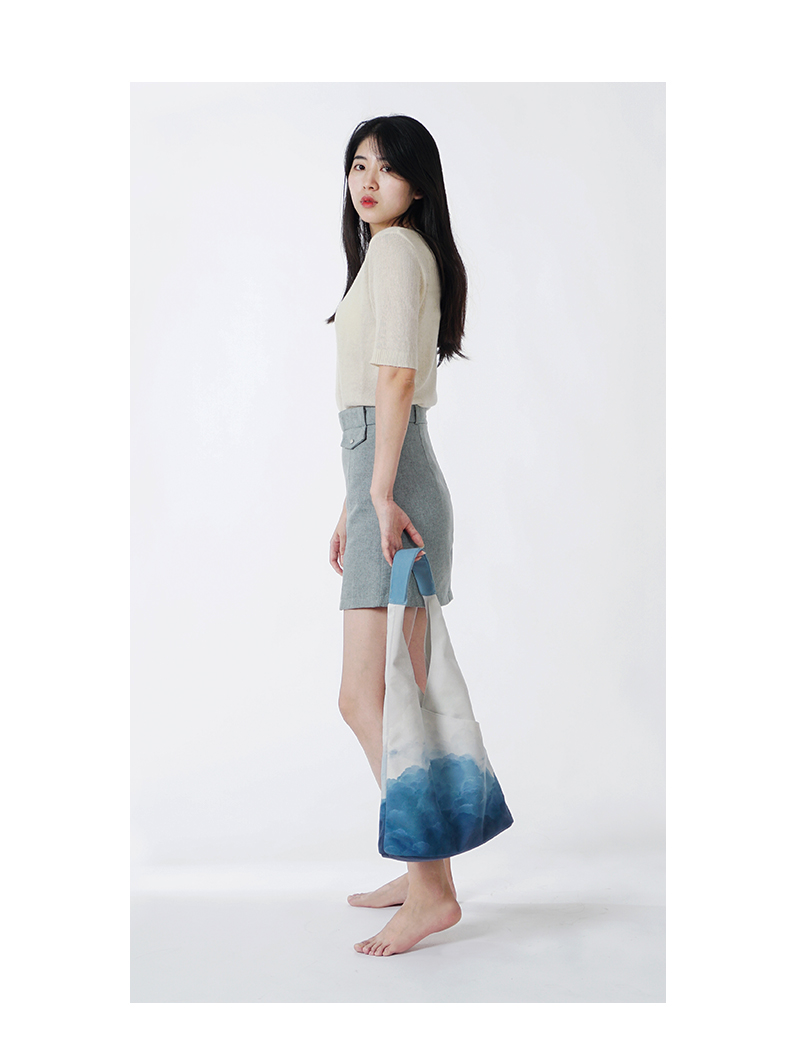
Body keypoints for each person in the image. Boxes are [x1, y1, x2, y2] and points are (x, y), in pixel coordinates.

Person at [327, 115, 468, 957]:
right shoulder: (398, 253)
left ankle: (433, 887)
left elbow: (394, 379)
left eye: (385, 167)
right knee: (389, 696)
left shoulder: (393, 252)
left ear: (418, 183)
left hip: (396, 489)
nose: (367, 181)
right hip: (386, 482)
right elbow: (379, 395)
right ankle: (424, 874)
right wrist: (357, 498)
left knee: (367, 696)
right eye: (357, 166)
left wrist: (376, 494)